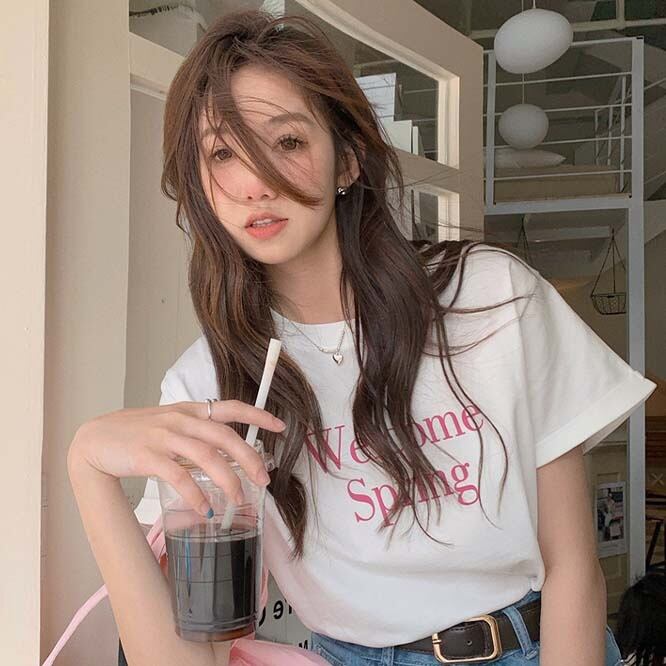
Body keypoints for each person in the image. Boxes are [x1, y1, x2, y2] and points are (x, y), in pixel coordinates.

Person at [67, 8, 656, 666]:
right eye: (223, 153)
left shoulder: (489, 297)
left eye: (288, 142)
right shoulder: (208, 383)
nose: (255, 183)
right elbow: (187, 655)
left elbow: (573, 566)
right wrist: (88, 467)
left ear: (345, 161)